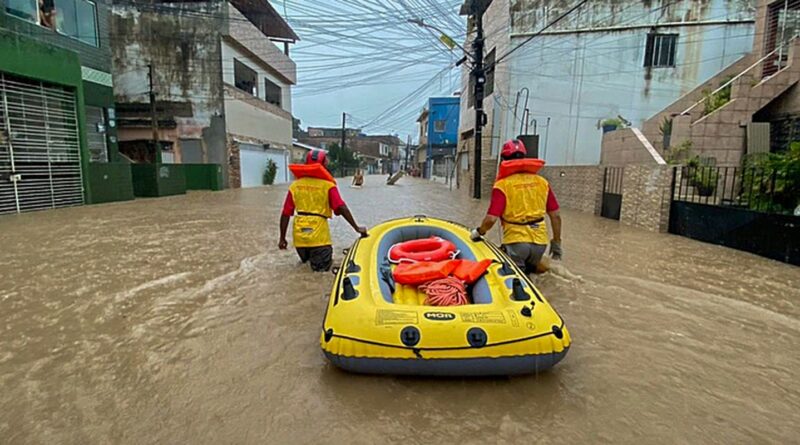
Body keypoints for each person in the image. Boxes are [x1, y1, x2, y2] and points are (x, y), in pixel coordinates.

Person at [470, 139, 562, 274]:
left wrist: (479, 232)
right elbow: (556, 216)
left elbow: (490, 219)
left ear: (503, 160)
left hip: (516, 243)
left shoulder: (502, 185)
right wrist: (557, 242)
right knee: (532, 275)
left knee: (515, 279)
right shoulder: (542, 182)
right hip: (540, 244)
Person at [279, 150, 368, 271]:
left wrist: (282, 238)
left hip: (299, 238)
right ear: (324, 165)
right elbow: (341, 207)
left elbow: (285, 213)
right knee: (321, 274)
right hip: (319, 237)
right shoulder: (328, 186)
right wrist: (356, 228)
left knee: (305, 271)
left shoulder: (295, 186)